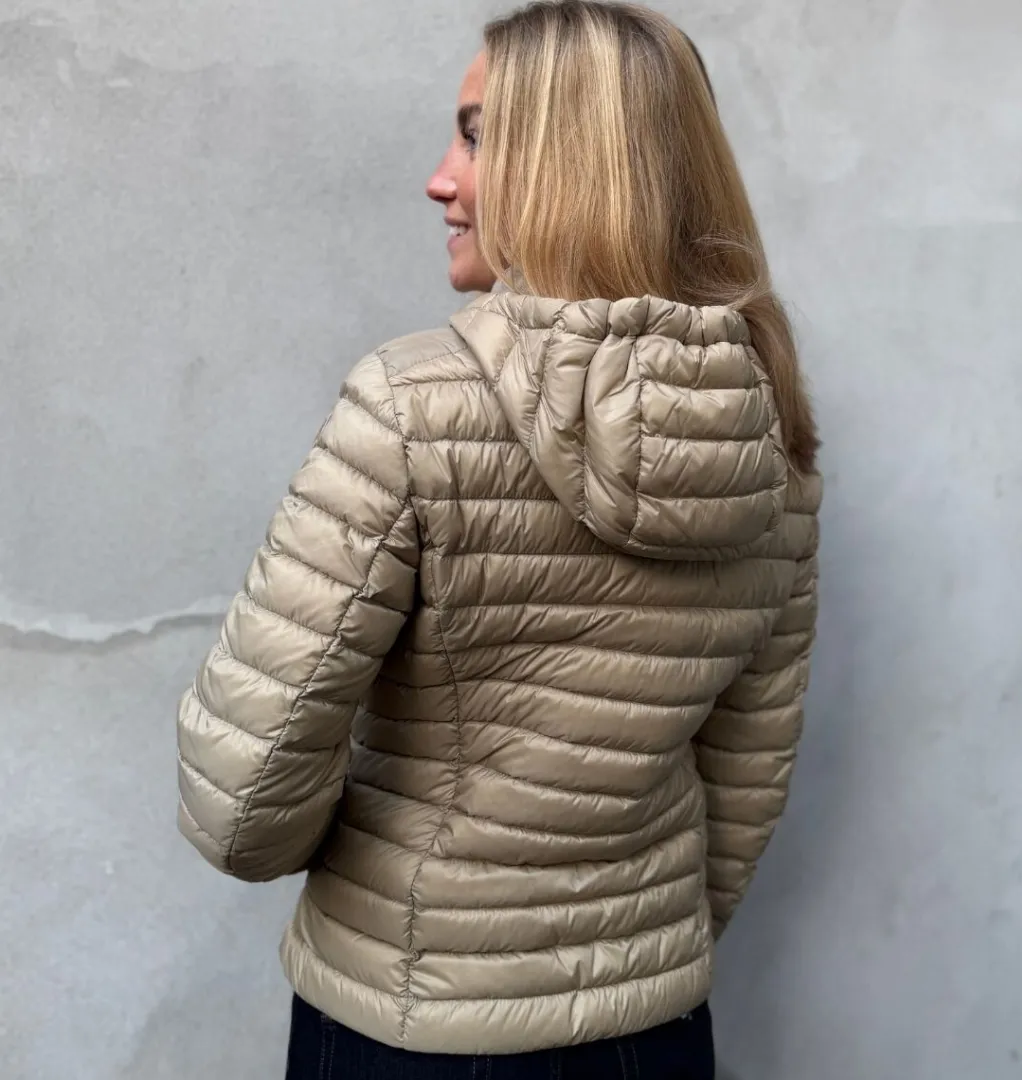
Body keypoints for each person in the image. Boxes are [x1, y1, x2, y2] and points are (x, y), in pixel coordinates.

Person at [175, 3, 822, 1077]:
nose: (441, 178)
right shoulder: (775, 433)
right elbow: (745, 783)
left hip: (417, 1028)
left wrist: (382, 883)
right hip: (654, 1036)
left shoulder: (410, 407)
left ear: (568, 166)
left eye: (477, 137)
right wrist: (637, 950)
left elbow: (240, 802)